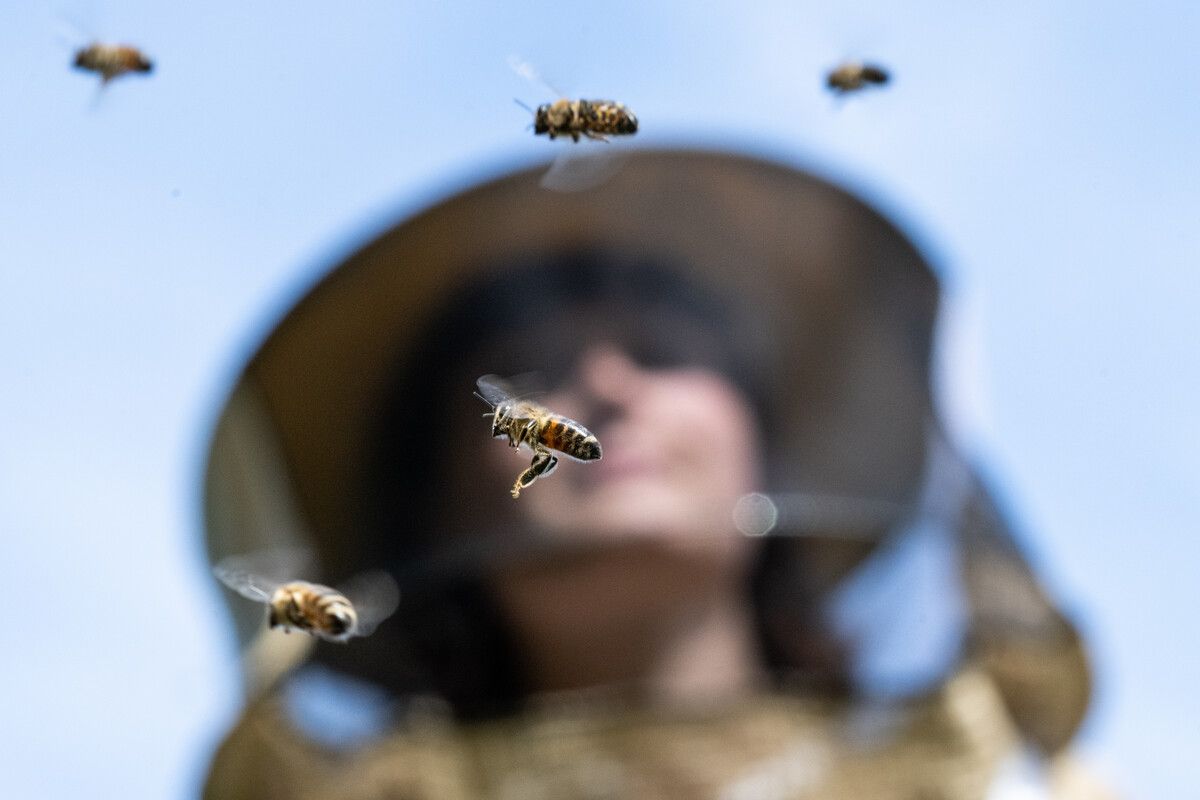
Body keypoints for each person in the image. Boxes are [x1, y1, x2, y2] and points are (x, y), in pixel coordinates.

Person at [202, 149, 1109, 799]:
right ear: (430, 493)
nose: (605, 386)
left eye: (663, 352)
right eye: (534, 376)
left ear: (762, 440)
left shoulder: (977, 777)